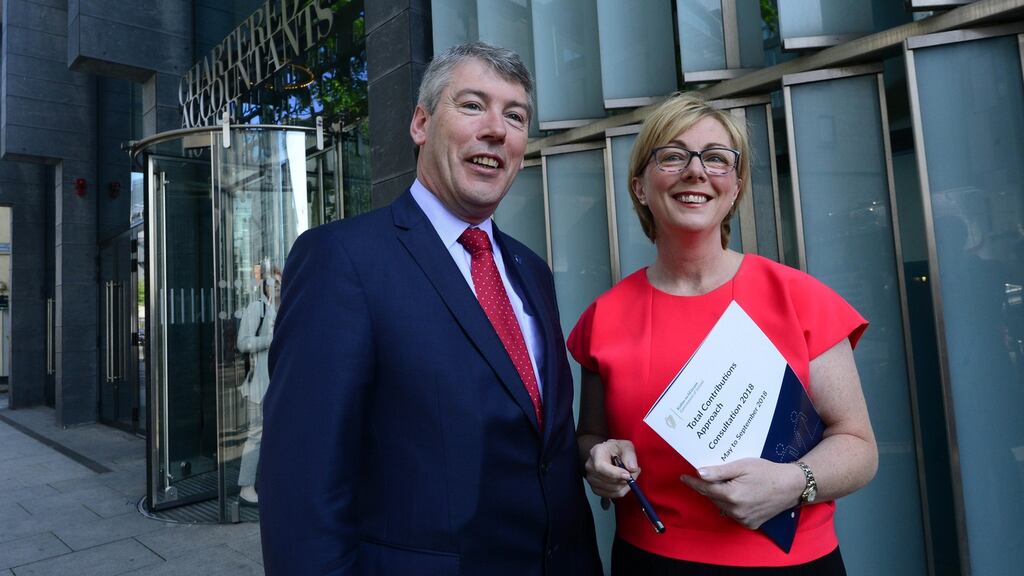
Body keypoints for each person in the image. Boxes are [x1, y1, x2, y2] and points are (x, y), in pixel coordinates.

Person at [258, 42, 601, 575]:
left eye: (515, 116)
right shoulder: (341, 260)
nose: (496, 129)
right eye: (472, 105)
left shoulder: (531, 271)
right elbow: (301, 486)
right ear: (420, 123)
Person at [568, 93, 877, 574]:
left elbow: (859, 448)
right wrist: (598, 461)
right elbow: (591, 436)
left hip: (791, 563)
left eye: (716, 159)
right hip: (650, 562)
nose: (696, 171)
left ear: (734, 189)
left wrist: (793, 482)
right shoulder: (603, 317)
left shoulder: (798, 298)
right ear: (640, 187)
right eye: (672, 156)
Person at [234, 262, 280, 505]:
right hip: (259, 385)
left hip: (277, 383)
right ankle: (246, 486)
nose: (278, 287)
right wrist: (270, 340)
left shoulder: (282, 308)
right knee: (255, 435)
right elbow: (243, 343)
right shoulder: (257, 308)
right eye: (274, 283)